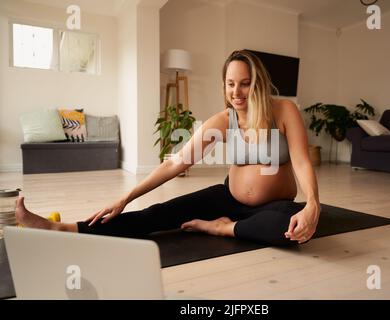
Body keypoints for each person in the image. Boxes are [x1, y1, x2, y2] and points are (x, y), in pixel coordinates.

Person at [15, 50, 321, 246]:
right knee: (159, 213)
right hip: (228, 198)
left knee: (290, 224)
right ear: (224, 85)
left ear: (258, 82)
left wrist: (313, 204)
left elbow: (302, 162)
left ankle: (221, 229)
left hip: (275, 205)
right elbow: (176, 163)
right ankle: (66, 230)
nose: (236, 91)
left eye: (244, 83)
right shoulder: (222, 121)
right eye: (230, 83)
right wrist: (125, 197)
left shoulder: (284, 111)